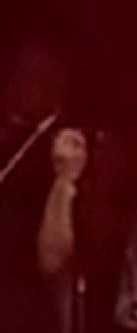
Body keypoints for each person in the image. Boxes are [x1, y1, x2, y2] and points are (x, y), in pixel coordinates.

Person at [0, 37, 87, 333]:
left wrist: (65, 180)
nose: (36, 84)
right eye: (28, 73)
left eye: (50, 77)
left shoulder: (66, 150)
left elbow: (53, 259)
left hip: (20, 306)